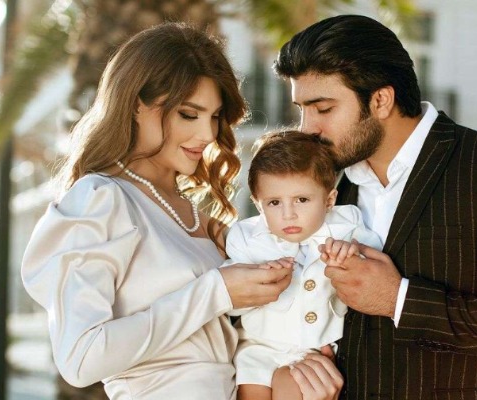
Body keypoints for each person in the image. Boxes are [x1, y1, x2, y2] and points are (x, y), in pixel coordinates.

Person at [274, 14, 477, 400]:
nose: (306, 128)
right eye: (301, 109)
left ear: (381, 100)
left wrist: (398, 299)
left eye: (323, 108)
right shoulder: (328, 187)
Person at [20, 22, 299, 400]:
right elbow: (81, 358)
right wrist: (216, 291)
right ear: (137, 104)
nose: (207, 135)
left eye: (214, 117)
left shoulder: (196, 216)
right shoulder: (100, 200)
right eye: (189, 114)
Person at [223, 131, 381, 400]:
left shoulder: (346, 226)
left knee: (293, 387)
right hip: (259, 346)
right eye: (274, 203)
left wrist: (351, 257)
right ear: (258, 205)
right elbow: (231, 302)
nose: (289, 214)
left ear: (329, 200)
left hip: (313, 351)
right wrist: (259, 278)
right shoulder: (245, 238)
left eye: (302, 200)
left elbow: (372, 269)